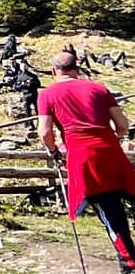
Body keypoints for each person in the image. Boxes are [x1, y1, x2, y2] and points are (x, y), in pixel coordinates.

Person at [39, 45, 135, 272]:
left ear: (54, 71)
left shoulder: (47, 95)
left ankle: (130, 264)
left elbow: (44, 132)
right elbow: (123, 125)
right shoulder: (99, 88)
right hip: (111, 152)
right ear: (77, 68)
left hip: (83, 157)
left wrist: (53, 151)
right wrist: (111, 138)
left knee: (110, 211)